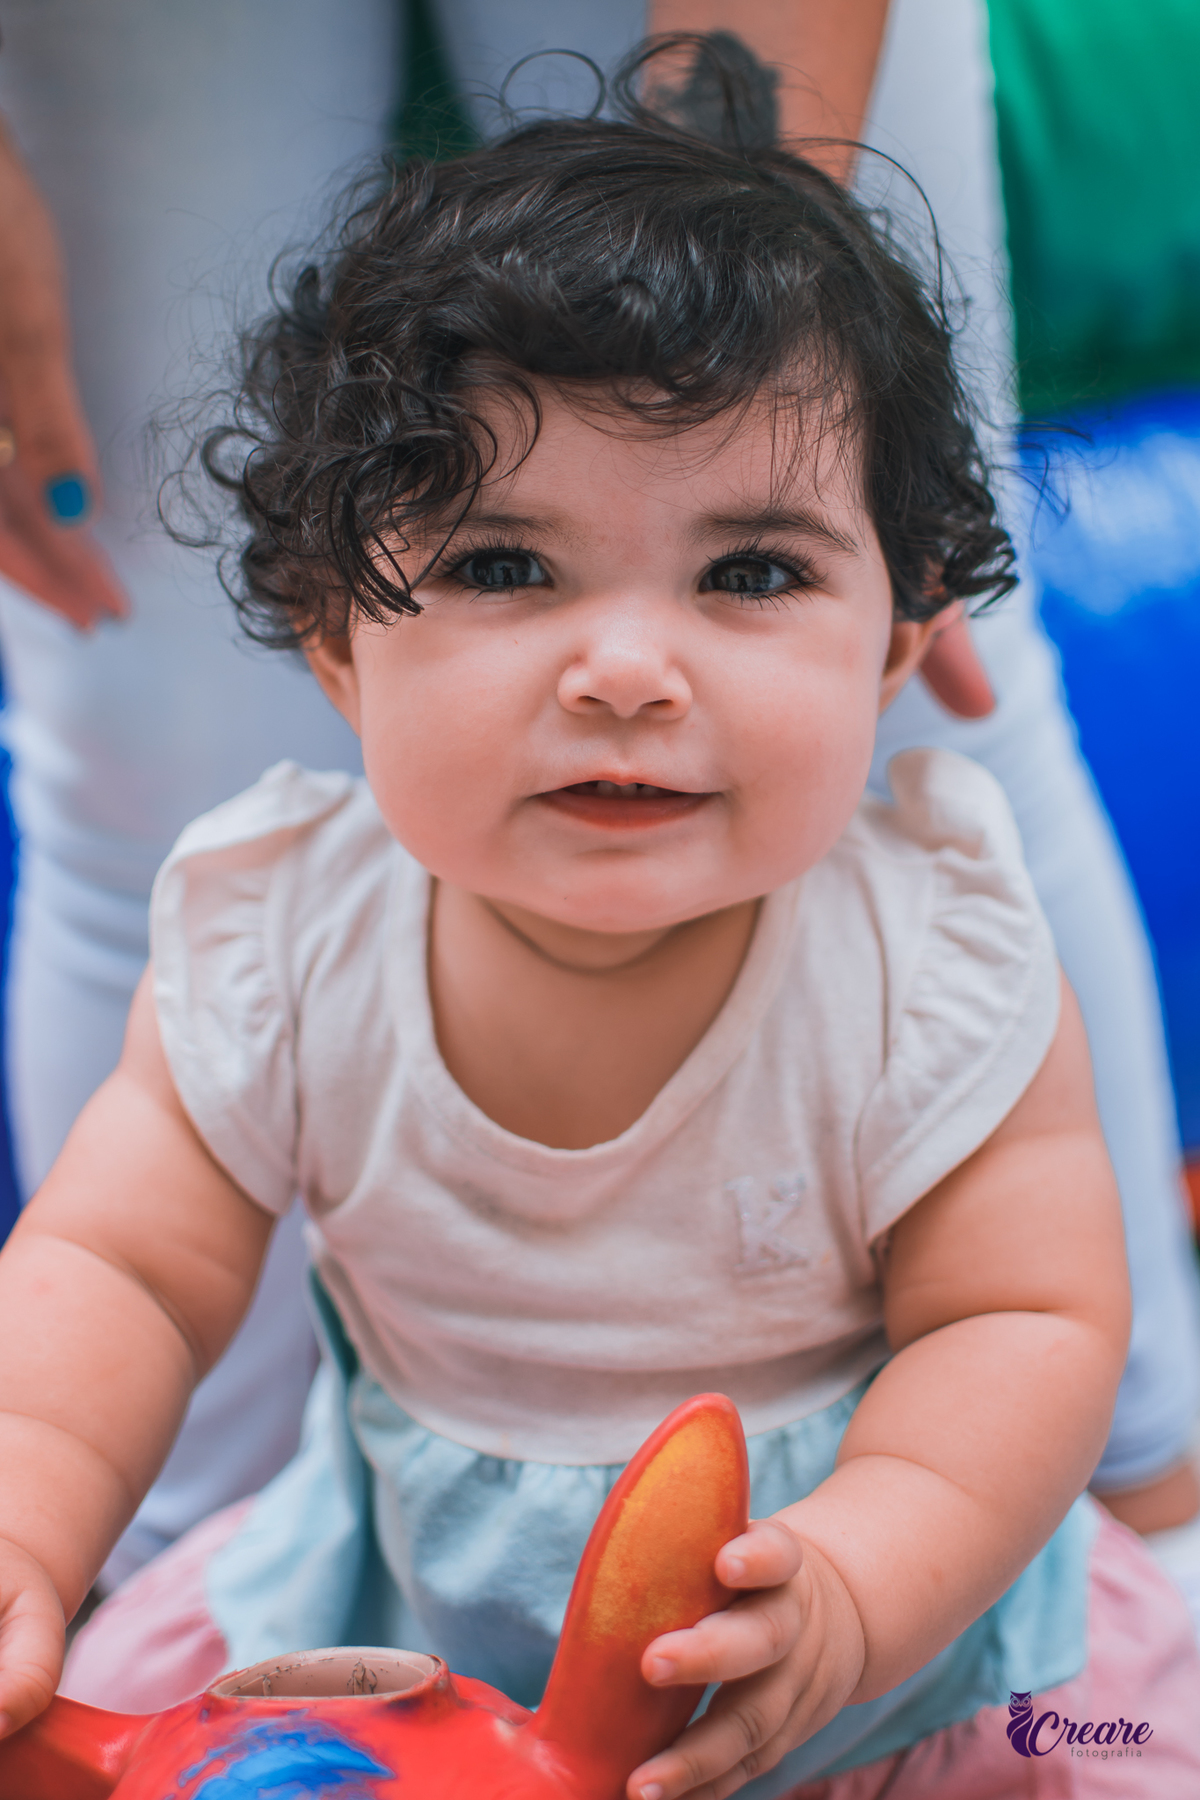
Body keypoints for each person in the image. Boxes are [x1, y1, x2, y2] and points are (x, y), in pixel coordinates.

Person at [1, 98, 1197, 1794]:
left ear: (896, 642)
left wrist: (862, 1582)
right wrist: (28, 1515)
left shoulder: (928, 963)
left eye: (751, 573)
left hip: (875, 1686)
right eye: (505, 563)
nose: (629, 671)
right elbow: (121, 1271)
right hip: (422, 1669)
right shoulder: (282, 937)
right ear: (337, 644)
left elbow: (1020, 1325)